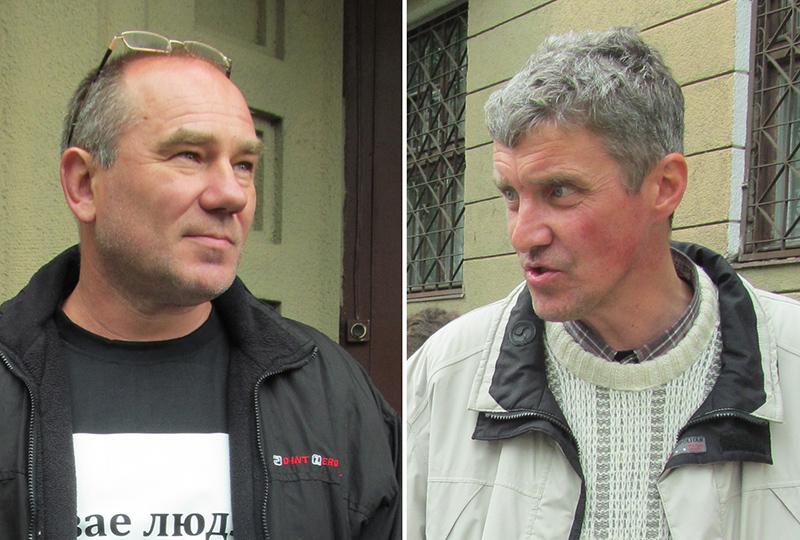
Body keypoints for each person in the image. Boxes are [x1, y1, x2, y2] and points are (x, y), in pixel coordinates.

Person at [0, 31, 399, 539]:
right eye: (189, 155)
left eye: (244, 165)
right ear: (83, 184)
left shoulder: (332, 391)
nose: (232, 195)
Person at [407, 28, 800, 539]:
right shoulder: (442, 377)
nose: (523, 233)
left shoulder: (790, 361)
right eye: (511, 195)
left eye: (560, 191)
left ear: (664, 186)